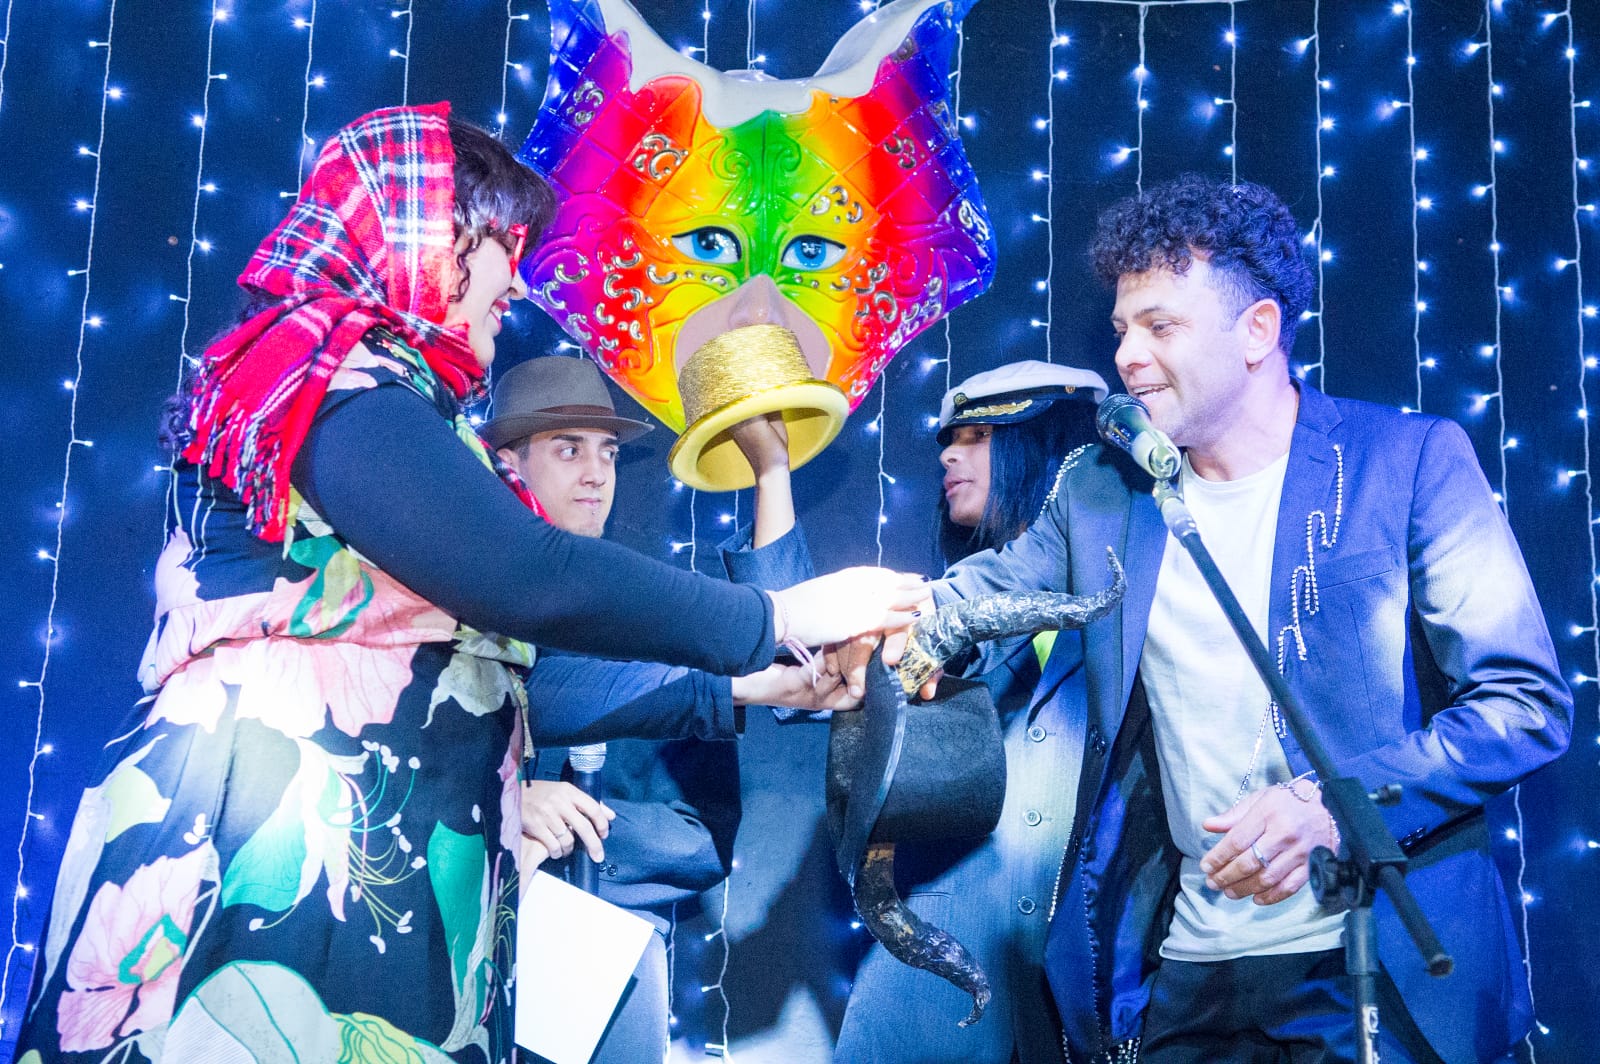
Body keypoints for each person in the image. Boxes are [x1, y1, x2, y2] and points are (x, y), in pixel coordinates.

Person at [13, 103, 921, 1064]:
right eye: (502, 246)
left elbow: (490, 677)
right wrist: (776, 614)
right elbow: (530, 578)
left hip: (377, 861)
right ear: (429, 235)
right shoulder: (330, 379)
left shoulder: (391, 398)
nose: (517, 281)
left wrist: (761, 680)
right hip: (265, 845)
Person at [915, 174, 1571, 1063]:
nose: (1128, 356)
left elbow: (1524, 705)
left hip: (1374, 959)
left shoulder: (1407, 461)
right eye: (1122, 329)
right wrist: (843, 628)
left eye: (1161, 327)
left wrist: (1337, 806)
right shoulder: (1103, 491)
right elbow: (974, 596)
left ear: (1258, 330)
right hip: (1197, 968)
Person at [483, 354, 819, 1062]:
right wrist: (509, 803)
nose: (596, 473)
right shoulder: (450, 602)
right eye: (568, 449)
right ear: (508, 464)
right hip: (471, 933)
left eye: (607, 452)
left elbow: (792, 671)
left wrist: (772, 473)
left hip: (610, 951)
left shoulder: (654, 614)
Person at [835, 360, 1107, 1064]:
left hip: (1090, 969)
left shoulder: (1131, 594)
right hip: (943, 966)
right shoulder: (940, 607)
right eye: (949, 440)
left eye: (979, 436)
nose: (949, 456)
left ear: (1049, 446)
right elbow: (820, 688)